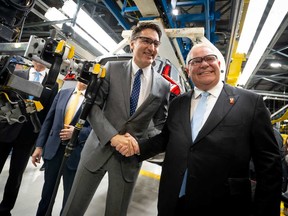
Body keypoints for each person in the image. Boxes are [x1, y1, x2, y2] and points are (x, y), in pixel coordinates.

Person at [118, 43, 282, 216]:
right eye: (196, 61)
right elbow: (166, 138)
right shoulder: (178, 103)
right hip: (174, 198)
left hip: (224, 203)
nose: (203, 64)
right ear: (188, 70)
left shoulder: (250, 102)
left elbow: (269, 164)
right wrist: (137, 146)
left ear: (219, 65)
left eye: (210, 58)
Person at [61, 22, 170, 216]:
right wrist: (113, 137)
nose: (151, 48)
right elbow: (93, 107)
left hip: (129, 158)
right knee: (73, 208)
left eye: (156, 43)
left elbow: (158, 123)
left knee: (116, 212)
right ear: (132, 43)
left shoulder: (163, 85)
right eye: (146, 41)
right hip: (97, 148)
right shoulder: (111, 68)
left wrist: (140, 144)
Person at [0, 61, 58, 216]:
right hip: (6, 130)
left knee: (16, 176)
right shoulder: (17, 75)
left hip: (28, 136)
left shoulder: (52, 85)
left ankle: (5, 209)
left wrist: (40, 142)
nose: (40, 61)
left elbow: (48, 116)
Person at [31, 81, 91, 215]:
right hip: (53, 150)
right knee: (47, 194)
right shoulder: (63, 93)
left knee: (69, 197)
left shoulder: (94, 99)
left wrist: (77, 132)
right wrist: (39, 146)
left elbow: (95, 129)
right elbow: (49, 120)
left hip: (76, 153)